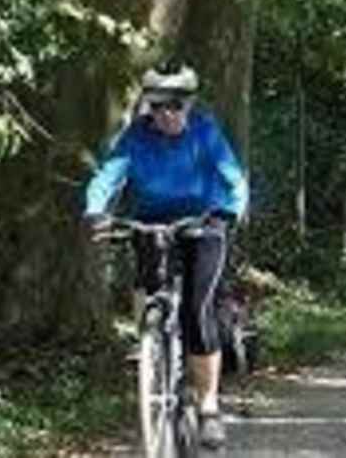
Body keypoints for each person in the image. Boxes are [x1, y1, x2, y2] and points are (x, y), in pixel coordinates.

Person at [82, 61, 248, 449]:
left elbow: (233, 178)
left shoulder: (205, 131)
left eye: (177, 104)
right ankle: (152, 347)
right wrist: (95, 211)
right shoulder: (135, 137)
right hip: (151, 222)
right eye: (158, 104)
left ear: (190, 103)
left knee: (197, 310)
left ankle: (207, 406)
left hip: (205, 221)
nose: (168, 113)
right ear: (148, 105)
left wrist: (230, 211)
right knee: (147, 285)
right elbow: (108, 174)